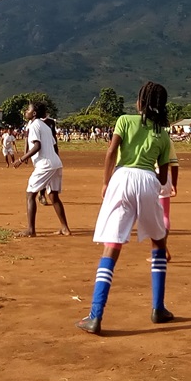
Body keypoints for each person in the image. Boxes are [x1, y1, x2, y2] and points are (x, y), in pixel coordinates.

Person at [77, 81, 174, 336]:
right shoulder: (163, 134)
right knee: (159, 242)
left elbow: (111, 152)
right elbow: (163, 177)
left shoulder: (124, 120)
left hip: (121, 178)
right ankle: (158, 308)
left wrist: (106, 182)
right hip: (147, 178)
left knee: (112, 244)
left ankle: (95, 315)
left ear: (140, 102)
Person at [14, 101, 70, 237]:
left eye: (28, 109)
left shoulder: (34, 126)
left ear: (33, 113)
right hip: (56, 162)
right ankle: (65, 228)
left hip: (45, 164)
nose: (25, 111)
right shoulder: (45, 126)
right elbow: (54, 145)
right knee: (53, 196)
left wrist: (21, 159)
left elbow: (37, 146)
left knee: (30, 194)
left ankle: (31, 230)